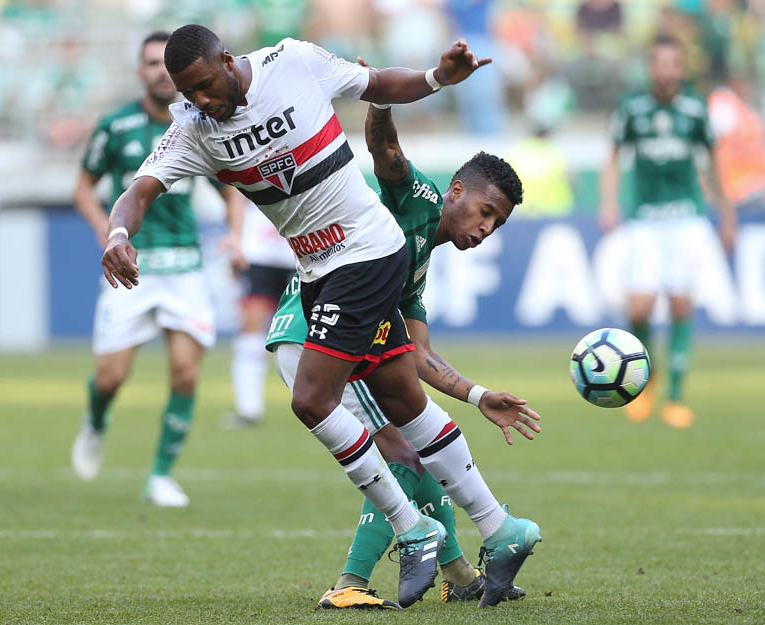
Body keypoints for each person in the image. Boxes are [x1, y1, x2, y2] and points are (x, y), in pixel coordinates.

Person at [101, 24, 542, 608]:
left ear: (226, 61)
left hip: (359, 258)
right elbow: (138, 190)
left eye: (207, 85)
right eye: (190, 93)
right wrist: (117, 231)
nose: (203, 100)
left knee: (314, 401)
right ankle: (499, 530)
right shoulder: (192, 129)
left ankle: (413, 535)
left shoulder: (292, 62)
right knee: (406, 403)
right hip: (321, 276)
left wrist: (437, 78)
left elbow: (378, 85)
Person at [266, 98, 536, 609]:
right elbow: (384, 147)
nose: (484, 229)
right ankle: (352, 581)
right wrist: (380, 97)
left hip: (348, 343)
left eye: (496, 224)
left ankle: (459, 572)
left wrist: (477, 395)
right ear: (456, 191)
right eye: (485, 212)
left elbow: (418, 354)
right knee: (403, 457)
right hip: (316, 337)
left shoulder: (413, 267)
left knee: (414, 451)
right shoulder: (417, 198)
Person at [70, 31, 242, 506]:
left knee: (186, 375)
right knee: (110, 378)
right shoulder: (115, 126)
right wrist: (108, 234)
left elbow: (231, 191)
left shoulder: (199, 124)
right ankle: (96, 419)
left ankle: (161, 475)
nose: (157, 74)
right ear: (139, 71)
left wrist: (233, 234)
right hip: (129, 269)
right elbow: (83, 188)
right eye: (149, 64)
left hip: (184, 267)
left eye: (164, 67)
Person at [600, 34, 736, 429]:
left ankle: (675, 397)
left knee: (680, 304)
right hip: (644, 219)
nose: (664, 71)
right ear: (649, 67)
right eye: (657, 63)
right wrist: (609, 203)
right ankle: (649, 374)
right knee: (639, 306)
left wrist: (728, 215)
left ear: (681, 68)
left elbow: (713, 164)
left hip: (688, 219)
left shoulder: (696, 110)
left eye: (671, 64)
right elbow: (612, 156)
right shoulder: (632, 109)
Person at [223, 199, 296, 427]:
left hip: (300, 250)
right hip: (258, 252)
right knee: (251, 327)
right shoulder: (246, 162)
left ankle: (333, 406)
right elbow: (234, 196)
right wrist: (237, 240)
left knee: (317, 330)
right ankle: (249, 408)